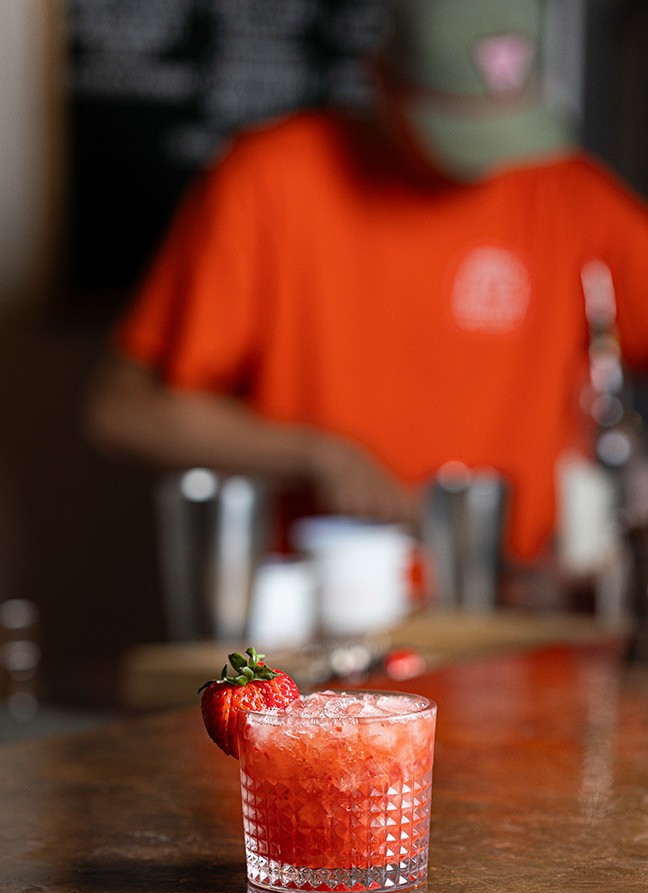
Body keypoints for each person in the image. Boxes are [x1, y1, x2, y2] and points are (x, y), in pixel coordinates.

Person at [85, 0, 648, 585]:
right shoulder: (269, 183)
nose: (488, 162)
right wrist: (316, 454)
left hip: (520, 616)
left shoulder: (569, 193)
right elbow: (121, 410)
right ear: (379, 77)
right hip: (315, 626)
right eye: (457, 125)